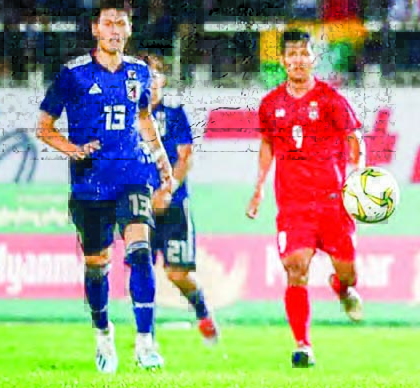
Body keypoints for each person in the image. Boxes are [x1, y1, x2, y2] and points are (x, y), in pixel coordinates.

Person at [36, 0, 172, 373]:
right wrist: (73, 149)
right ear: (95, 29)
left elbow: (144, 118)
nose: (115, 30)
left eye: (121, 23)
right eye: (108, 23)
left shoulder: (139, 71)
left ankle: (145, 342)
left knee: (140, 251)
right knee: (97, 264)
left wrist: (161, 159)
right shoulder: (73, 74)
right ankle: (103, 334)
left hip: (133, 175)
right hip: (90, 183)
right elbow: (44, 127)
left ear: (129, 30)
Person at [246, 30, 367, 368]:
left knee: (349, 273)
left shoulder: (331, 99)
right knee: (295, 268)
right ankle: (303, 344)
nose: (298, 60)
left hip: (332, 202)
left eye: (304, 54)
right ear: (283, 60)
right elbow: (268, 145)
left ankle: (341, 288)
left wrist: (358, 174)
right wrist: (259, 187)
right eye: (292, 54)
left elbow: (354, 137)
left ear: (314, 59)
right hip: (294, 205)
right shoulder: (271, 104)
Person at [140, 52, 220, 344]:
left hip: (173, 205)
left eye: (154, 76)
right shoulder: (127, 117)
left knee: (177, 274)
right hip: (139, 206)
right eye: (144, 77)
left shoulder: (174, 114)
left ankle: (203, 312)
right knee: (141, 271)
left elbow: (185, 157)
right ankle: (145, 337)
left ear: (162, 80)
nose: (150, 82)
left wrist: (167, 191)